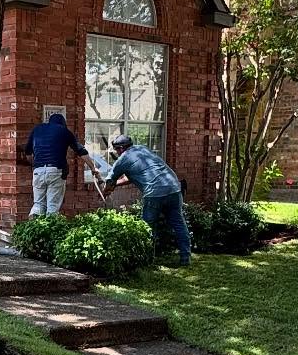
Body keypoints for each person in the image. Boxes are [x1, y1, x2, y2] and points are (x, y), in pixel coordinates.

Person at [103, 133, 191, 266]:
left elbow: (110, 181)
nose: (117, 153)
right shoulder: (142, 150)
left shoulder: (123, 159)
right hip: (174, 188)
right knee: (179, 224)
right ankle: (185, 259)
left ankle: (147, 260)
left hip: (155, 193)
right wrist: (115, 185)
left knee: (148, 227)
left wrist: (105, 192)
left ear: (121, 148)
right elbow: (131, 177)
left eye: (116, 150)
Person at [22, 112, 88, 217]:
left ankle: (34, 225)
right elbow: (81, 151)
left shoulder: (37, 129)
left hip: (38, 171)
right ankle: (49, 231)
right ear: (63, 123)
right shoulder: (65, 131)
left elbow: (28, 154)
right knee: (52, 206)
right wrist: (93, 168)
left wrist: (35, 165)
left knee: (38, 204)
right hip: (56, 171)